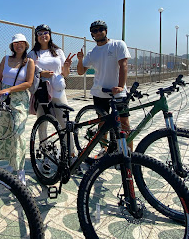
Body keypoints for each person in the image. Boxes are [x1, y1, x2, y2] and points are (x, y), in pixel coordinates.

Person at [77, 20, 132, 153]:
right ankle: (104, 149)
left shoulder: (118, 44)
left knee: (124, 123)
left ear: (106, 31)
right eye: (95, 31)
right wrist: (80, 59)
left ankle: (128, 153)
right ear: (92, 34)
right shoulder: (92, 52)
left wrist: (120, 86)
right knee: (103, 124)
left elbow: (123, 65)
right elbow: (80, 71)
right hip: (99, 93)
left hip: (118, 92)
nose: (98, 32)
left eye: (101, 29)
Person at [0, 34, 35, 186]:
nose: (18, 45)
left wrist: (9, 90)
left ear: (26, 45)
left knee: (18, 133)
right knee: (6, 131)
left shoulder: (29, 62)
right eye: (15, 43)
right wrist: (0, 91)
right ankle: (11, 164)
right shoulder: (5, 59)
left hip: (19, 100)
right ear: (12, 46)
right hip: (4, 98)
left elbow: (28, 83)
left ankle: (21, 169)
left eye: (21, 43)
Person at [28, 24, 75, 134]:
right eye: (40, 33)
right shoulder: (32, 54)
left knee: (64, 123)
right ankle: (43, 148)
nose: (43, 35)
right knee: (42, 124)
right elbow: (30, 73)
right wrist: (41, 73)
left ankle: (70, 150)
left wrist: (67, 66)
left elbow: (65, 73)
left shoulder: (58, 51)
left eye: (45, 33)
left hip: (58, 92)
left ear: (50, 35)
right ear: (36, 36)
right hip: (42, 92)